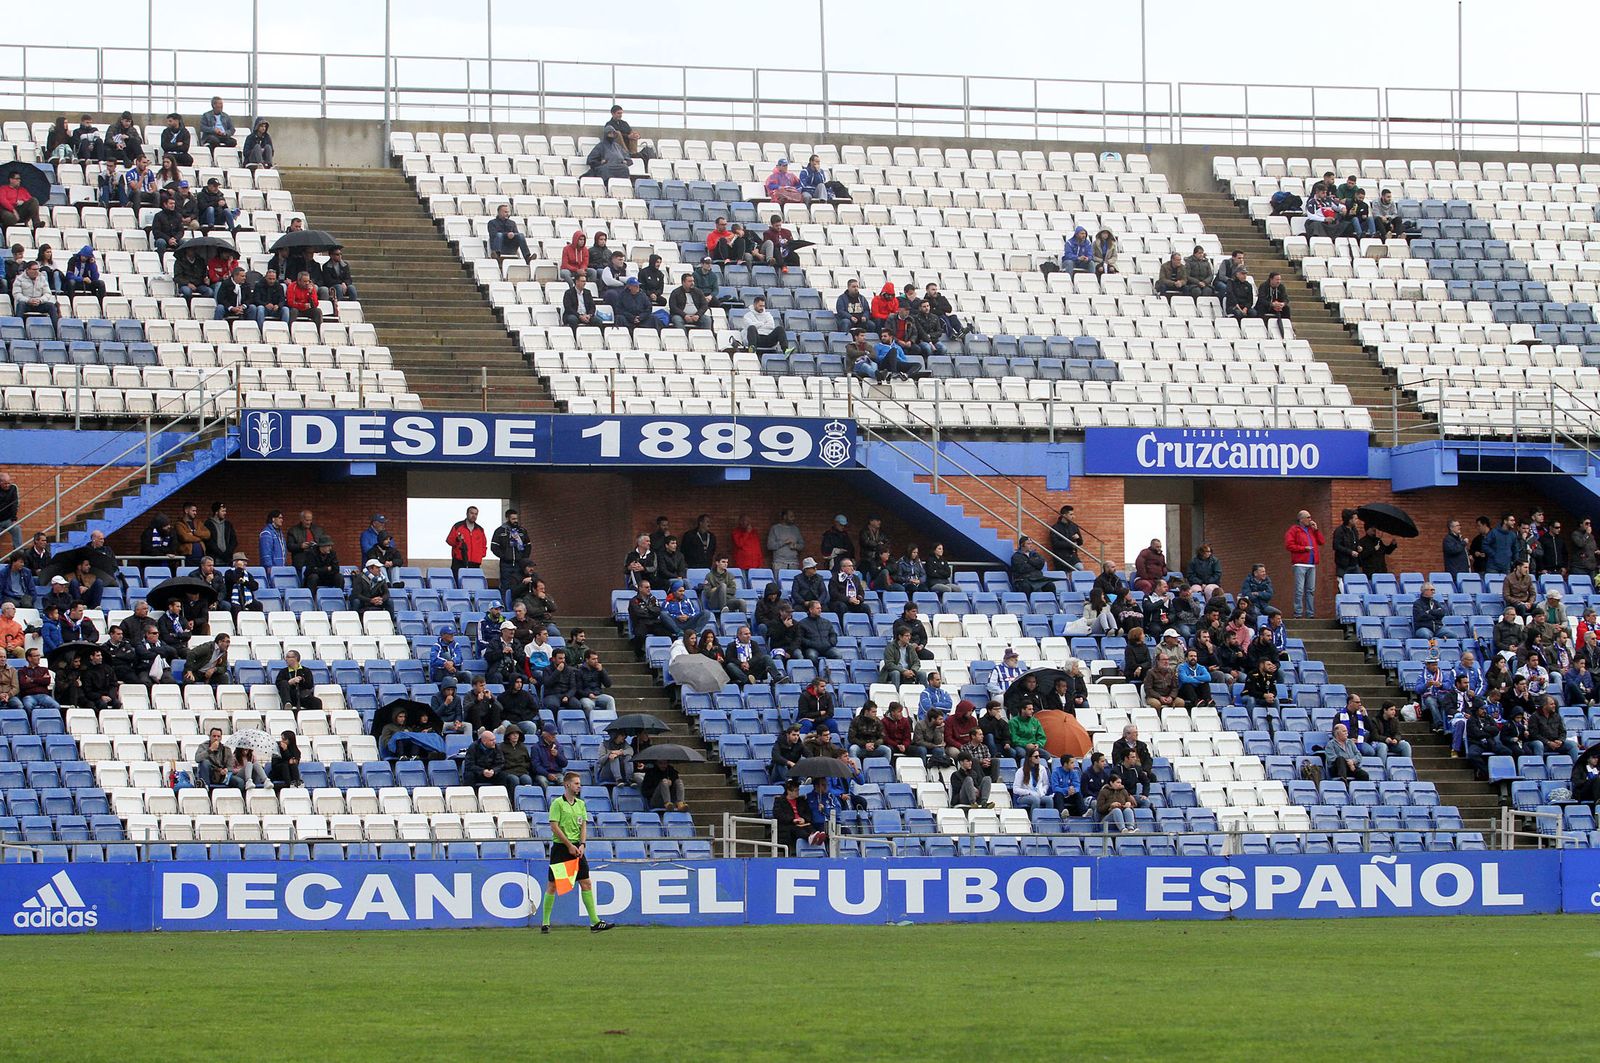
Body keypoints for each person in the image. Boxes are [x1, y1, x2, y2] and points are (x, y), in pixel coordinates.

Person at [541, 771, 614, 933]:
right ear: (567, 785)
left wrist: (582, 844)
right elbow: (554, 826)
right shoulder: (557, 804)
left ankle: (594, 922)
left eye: (579, 783)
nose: (579, 786)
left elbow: (583, 826)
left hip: (577, 849)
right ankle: (545, 922)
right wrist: (568, 845)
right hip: (561, 848)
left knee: (586, 882)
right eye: (576, 783)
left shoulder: (581, 804)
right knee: (553, 886)